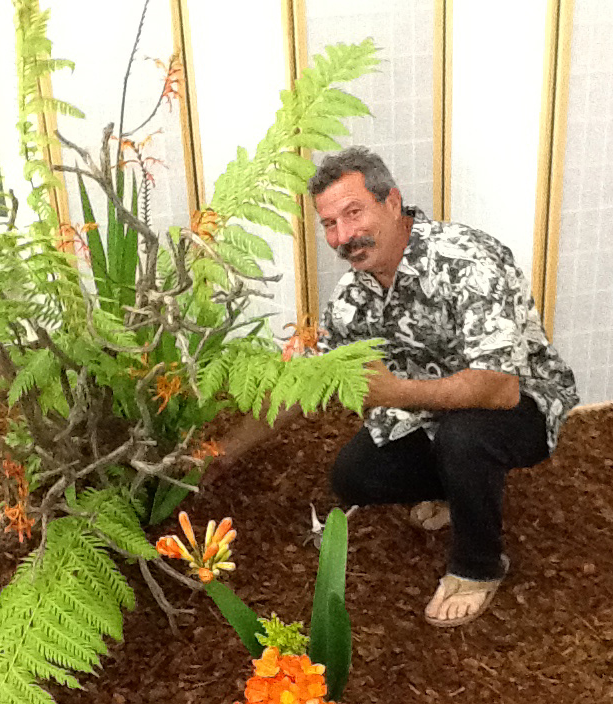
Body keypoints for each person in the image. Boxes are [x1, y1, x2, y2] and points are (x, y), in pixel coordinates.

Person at [208, 146, 579, 627]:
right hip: (434, 416)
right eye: (330, 224)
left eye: (353, 212)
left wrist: (397, 393)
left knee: (464, 438)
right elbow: (301, 385)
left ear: (393, 202)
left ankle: (479, 566)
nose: (344, 235)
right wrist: (221, 452)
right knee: (354, 476)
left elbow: (501, 390)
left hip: (523, 406)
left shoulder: (466, 260)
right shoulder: (353, 296)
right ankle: (461, 486)